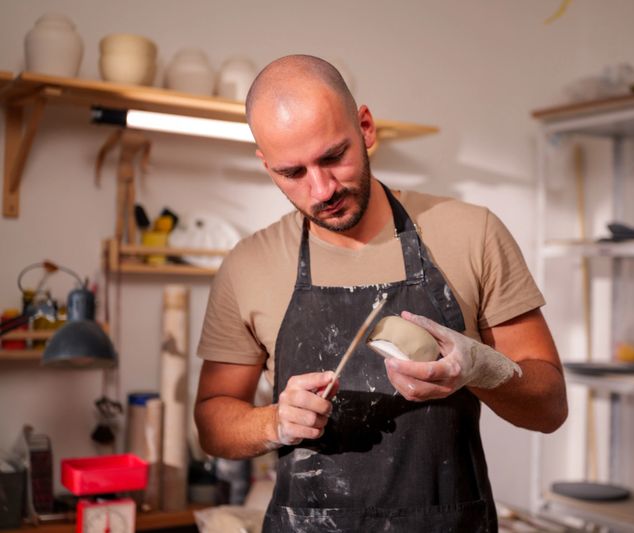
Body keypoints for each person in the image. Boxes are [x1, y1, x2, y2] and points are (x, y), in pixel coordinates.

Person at [194, 54, 567, 532]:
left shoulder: (471, 235)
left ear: (366, 127)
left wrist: (478, 367)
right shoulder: (249, 265)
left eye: (333, 157)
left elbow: (551, 406)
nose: (321, 188)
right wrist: (274, 423)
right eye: (293, 173)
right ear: (266, 166)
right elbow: (212, 422)